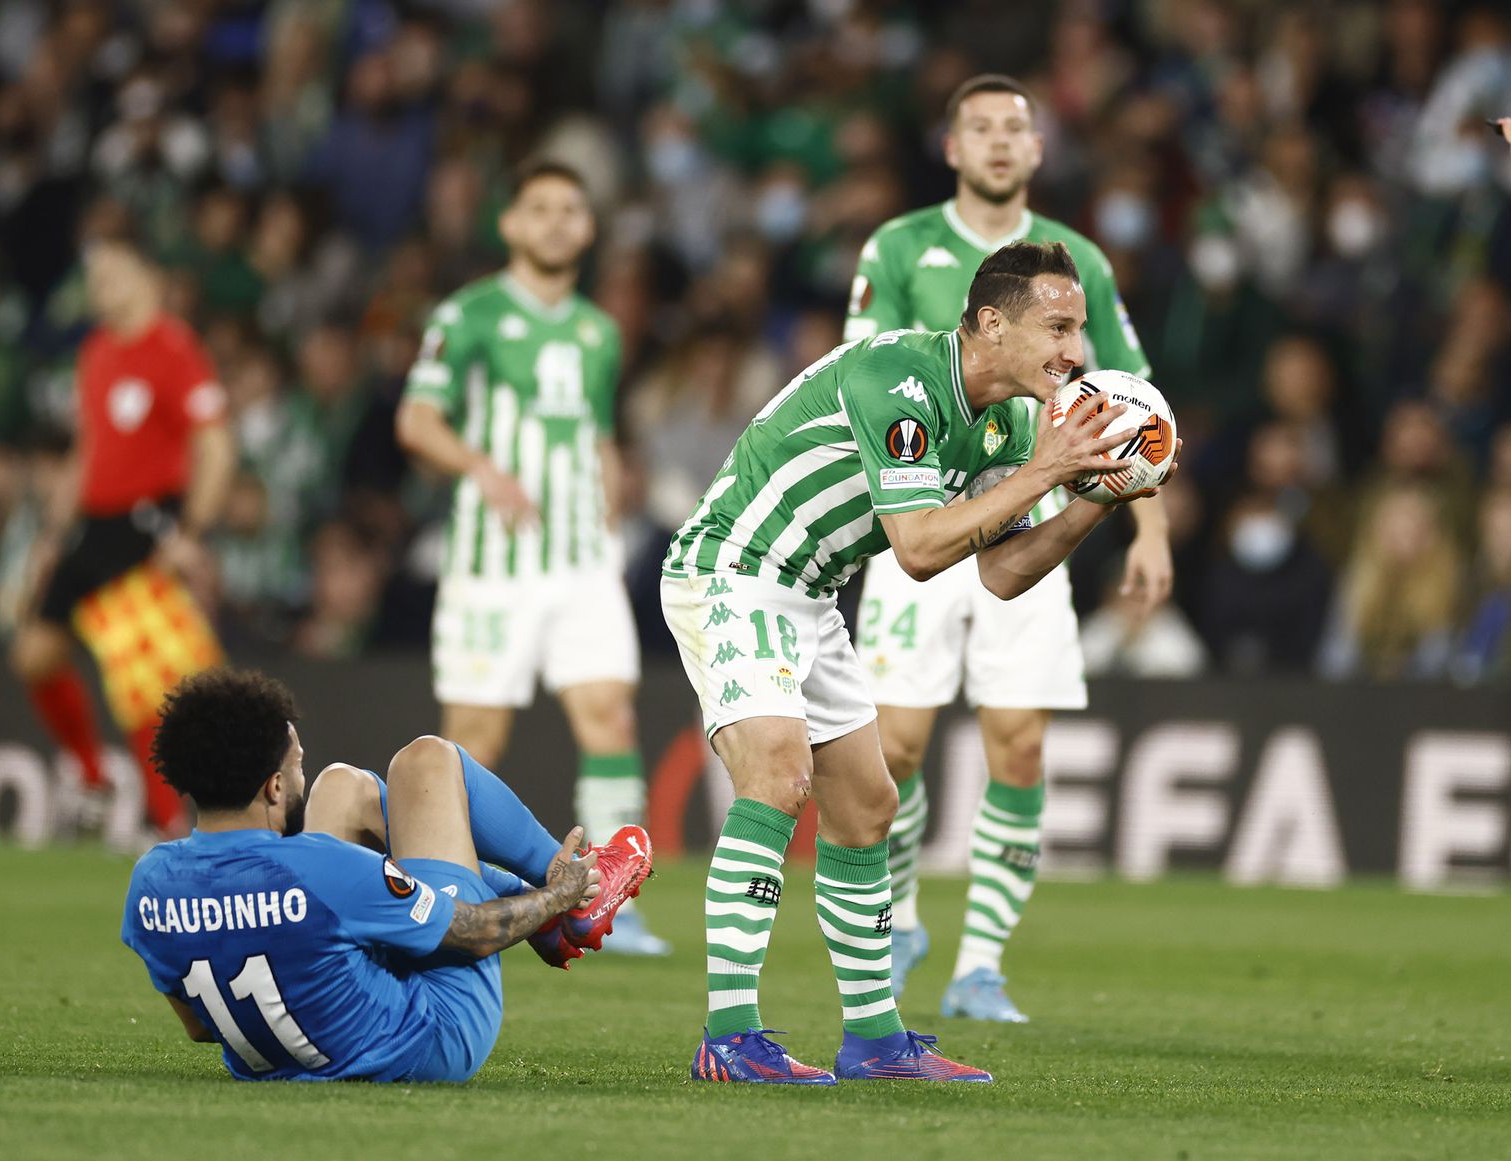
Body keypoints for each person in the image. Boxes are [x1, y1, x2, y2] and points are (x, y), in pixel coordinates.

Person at [662, 239, 1170, 1084]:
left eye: (1078, 327)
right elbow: (921, 548)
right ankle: (729, 1034)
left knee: (866, 804)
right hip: (734, 568)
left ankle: (874, 1042)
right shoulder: (897, 378)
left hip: (810, 592)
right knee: (779, 779)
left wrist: (1093, 500)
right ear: (990, 322)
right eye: (1056, 325)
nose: (1075, 351)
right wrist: (1050, 466)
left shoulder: (1009, 424)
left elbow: (1003, 572)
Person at [842, 75, 1174, 1020]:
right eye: (978, 127)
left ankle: (980, 963)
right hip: (929, 514)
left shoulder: (1079, 269)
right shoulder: (899, 246)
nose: (996, 142)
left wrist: (1148, 522)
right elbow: (872, 373)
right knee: (895, 749)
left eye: (1013, 130)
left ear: (1036, 151)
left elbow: (1133, 400)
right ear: (951, 147)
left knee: (1019, 747)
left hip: (1032, 527)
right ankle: (901, 916)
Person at [121, 667, 654, 1083]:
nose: (298, 776)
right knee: (424, 763)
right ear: (273, 789)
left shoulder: (151, 881)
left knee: (342, 786)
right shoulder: (323, 869)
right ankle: (580, 889)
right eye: (295, 766)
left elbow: (198, 1028)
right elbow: (476, 933)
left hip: (285, 1052)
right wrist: (554, 898)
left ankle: (552, 912)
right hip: (434, 1036)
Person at [395, 159, 667, 956]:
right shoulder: (470, 313)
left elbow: (599, 431)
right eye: (538, 208)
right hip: (494, 564)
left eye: (570, 210)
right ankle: (450, 893)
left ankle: (616, 897)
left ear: (587, 228)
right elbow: (417, 419)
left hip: (582, 562)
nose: (555, 222)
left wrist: (611, 493)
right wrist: (481, 468)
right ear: (510, 224)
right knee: (475, 736)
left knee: (610, 714)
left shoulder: (599, 330)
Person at [10, 231, 235, 837]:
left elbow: (214, 445)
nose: (100, 288)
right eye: (96, 277)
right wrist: (55, 531)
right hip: (93, 525)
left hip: (143, 522)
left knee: (142, 686)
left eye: (113, 275)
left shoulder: (174, 348)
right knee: (34, 653)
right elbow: (90, 449)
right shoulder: (97, 352)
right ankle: (92, 777)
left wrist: (190, 531)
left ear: (148, 278)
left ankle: (168, 828)